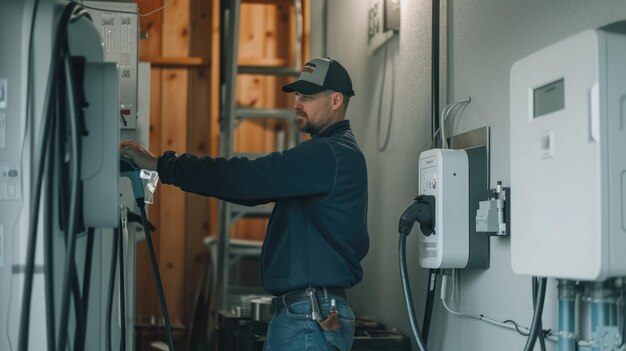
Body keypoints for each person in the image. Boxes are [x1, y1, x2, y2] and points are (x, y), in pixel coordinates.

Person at [121, 57, 369, 350]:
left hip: (309, 318)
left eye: (308, 96)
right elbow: (249, 190)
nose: (298, 103)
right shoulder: (335, 155)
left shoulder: (328, 154)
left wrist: (164, 165)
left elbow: (246, 177)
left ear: (336, 100)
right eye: (298, 95)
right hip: (309, 314)